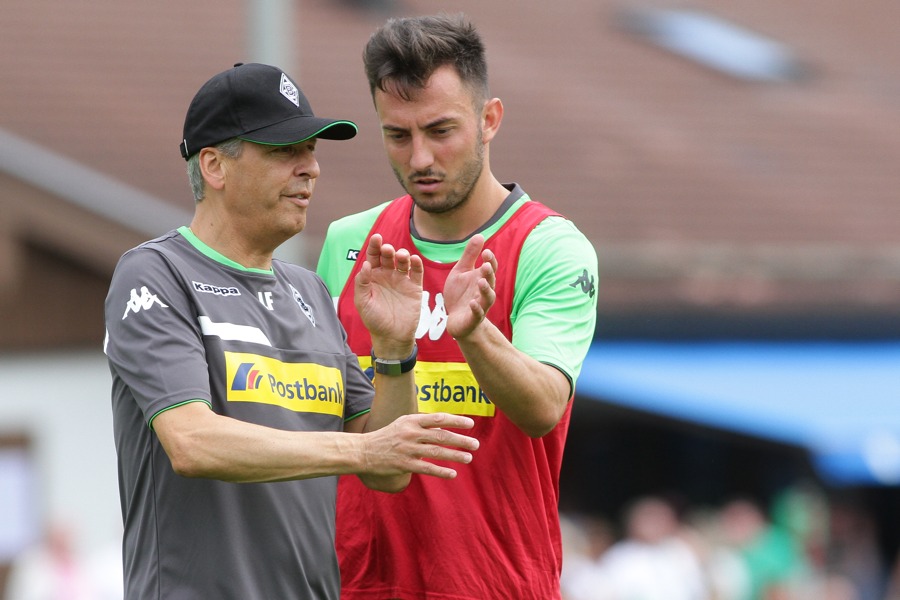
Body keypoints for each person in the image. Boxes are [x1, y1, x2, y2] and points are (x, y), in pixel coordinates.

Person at [103, 62, 482, 600]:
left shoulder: (310, 291)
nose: (311, 169)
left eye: (312, 150)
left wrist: (395, 350)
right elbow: (193, 443)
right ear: (214, 165)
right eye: (286, 151)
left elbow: (388, 471)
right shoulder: (156, 274)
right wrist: (364, 453)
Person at [316, 13, 599, 599]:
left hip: (495, 585)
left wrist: (475, 334)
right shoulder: (350, 242)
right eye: (398, 135)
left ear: (489, 119)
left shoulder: (549, 246)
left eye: (441, 130)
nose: (419, 158)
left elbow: (544, 407)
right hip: (363, 586)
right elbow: (327, 418)